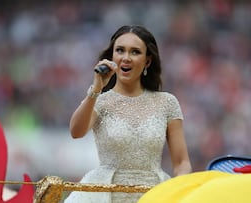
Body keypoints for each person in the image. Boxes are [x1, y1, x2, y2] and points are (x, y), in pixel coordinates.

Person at [64, 25, 192, 203]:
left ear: (147, 61)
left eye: (135, 52)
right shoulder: (100, 101)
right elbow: (75, 132)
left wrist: (179, 191)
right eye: (120, 50)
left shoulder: (167, 102)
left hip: (153, 194)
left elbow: (181, 162)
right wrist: (96, 89)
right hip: (103, 194)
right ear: (112, 57)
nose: (126, 58)